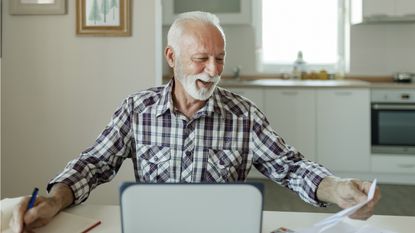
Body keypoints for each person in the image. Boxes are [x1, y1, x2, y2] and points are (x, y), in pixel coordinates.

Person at [10, 11, 381, 232]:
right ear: (172, 57)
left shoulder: (243, 114)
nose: (214, 70)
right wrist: (56, 200)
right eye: (202, 58)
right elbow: (93, 165)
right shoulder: (136, 109)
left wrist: (336, 188)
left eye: (219, 59)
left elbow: (292, 167)